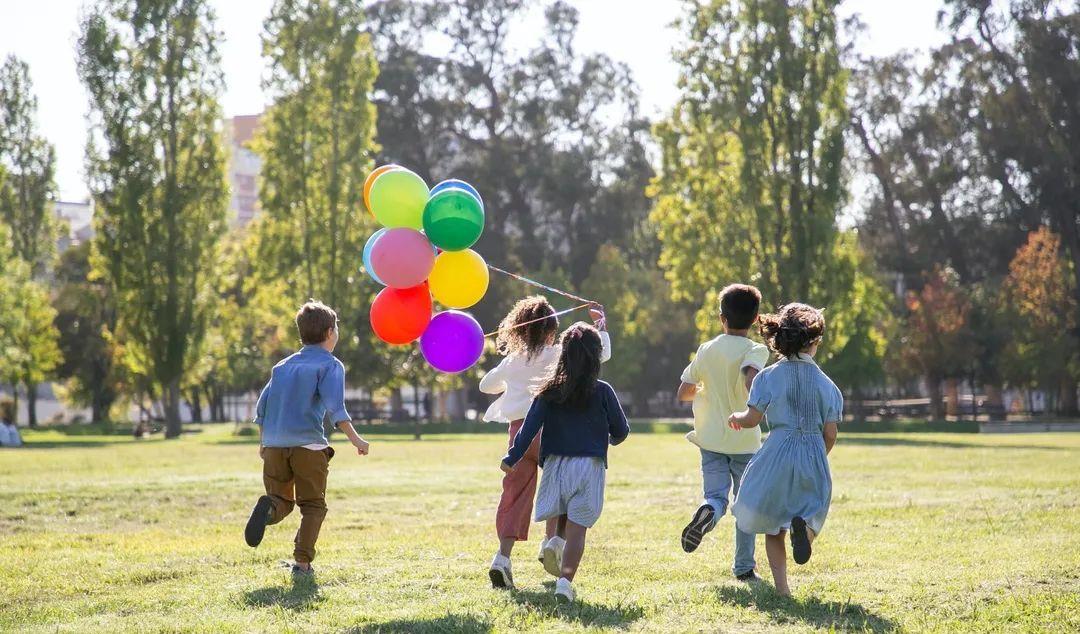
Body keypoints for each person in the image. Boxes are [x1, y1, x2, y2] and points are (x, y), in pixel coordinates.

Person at [481, 296, 610, 589]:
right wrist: (600, 325)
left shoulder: (512, 361)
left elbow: (485, 385)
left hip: (518, 436)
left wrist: (510, 376)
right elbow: (599, 355)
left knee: (514, 496)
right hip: (550, 433)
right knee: (559, 490)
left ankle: (502, 558)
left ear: (519, 330)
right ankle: (551, 543)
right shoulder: (557, 355)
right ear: (552, 330)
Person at [500, 322, 629, 603]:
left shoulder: (548, 391)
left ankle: (554, 541)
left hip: (556, 465)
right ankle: (564, 582)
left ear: (563, 355)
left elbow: (528, 429)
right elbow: (621, 430)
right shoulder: (603, 390)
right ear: (596, 357)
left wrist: (512, 456)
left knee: (561, 510)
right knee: (578, 529)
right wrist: (611, 439)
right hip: (589, 467)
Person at [244, 300, 371, 578]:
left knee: (281, 501)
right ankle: (302, 564)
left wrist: (264, 444)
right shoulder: (330, 365)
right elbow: (336, 408)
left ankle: (269, 509)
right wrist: (357, 440)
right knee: (312, 505)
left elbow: (262, 408)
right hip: (308, 447)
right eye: (336, 328)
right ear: (329, 333)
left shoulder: (282, 366)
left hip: (275, 446)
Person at [728, 303, 842, 596]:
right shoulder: (828, 386)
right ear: (814, 342)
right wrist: (817, 455)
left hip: (776, 452)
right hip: (812, 452)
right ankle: (805, 532)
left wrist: (736, 418)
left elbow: (752, 419)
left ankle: (782, 590)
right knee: (814, 510)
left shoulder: (767, 377)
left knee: (772, 524)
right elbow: (830, 433)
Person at [676, 284, 769, 581]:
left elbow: (684, 392)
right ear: (756, 319)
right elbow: (750, 378)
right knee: (746, 505)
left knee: (716, 496)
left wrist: (709, 392)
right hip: (744, 439)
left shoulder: (707, 349)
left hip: (710, 438)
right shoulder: (756, 349)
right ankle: (744, 568)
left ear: (721, 318)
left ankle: (708, 511)